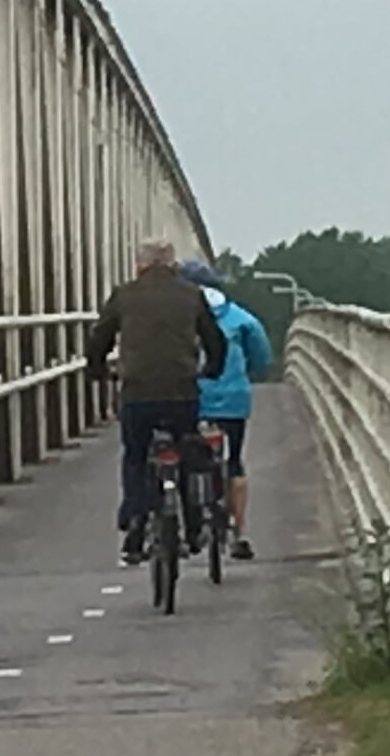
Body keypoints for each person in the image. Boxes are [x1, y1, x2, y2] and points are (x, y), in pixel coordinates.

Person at [85, 238, 226, 566]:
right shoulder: (192, 296)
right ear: (174, 266)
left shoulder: (123, 295)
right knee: (188, 452)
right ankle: (192, 526)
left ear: (139, 265)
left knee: (135, 455)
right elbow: (214, 340)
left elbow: (99, 339)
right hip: (181, 392)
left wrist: (96, 370)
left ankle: (135, 520)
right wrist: (211, 370)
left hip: (137, 393)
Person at [177, 258, 271, 561]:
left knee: (183, 457)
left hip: (191, 397)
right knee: (233, 462)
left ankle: (189, 526)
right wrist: (246, 373)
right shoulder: (239, 317)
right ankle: (238, 533)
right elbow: (261, 355)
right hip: (233, 398)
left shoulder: (176, 316)